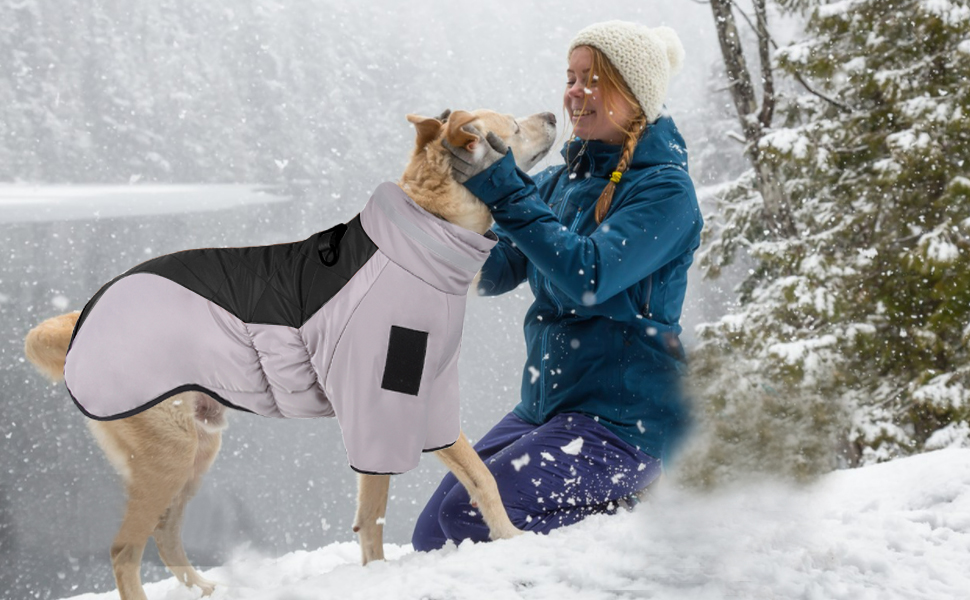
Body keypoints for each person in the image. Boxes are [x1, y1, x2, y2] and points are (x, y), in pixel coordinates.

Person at [411, 20, 702, 551]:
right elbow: (496, 271)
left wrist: (504, 189)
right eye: (571, 77)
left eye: (593, 79)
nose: (575, 92)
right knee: (434, 535)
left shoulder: (665, 190)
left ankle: (620, 520)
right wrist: (444, 211)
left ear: (634, 94)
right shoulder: (563, 181)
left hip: (625, 423)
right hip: (548, 407)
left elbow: (586, 278)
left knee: (472, 520)